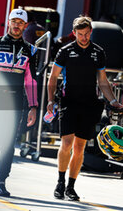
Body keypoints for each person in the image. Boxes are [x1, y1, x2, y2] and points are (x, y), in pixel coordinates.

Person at [47, 16, 123, 201]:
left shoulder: (98, 52)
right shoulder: (65, 51)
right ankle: (60, 181)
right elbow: (53, 78)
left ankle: (71, 187)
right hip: (68, 102)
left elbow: (103, 81)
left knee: (80, 148)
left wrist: (113, 100)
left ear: (91, 32)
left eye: (87, 34)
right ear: (74, 33)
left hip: (89, 103)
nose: (83, 37)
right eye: (80, 34)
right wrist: (50, 100)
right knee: (66, 144)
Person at [0, 8, 38, 197]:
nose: (17, 25)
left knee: (9, 144)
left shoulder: (30, 50)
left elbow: (31, 80)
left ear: (25, 26)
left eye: (21, 23)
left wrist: (34, 107)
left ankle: (1, 182)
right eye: (14, 21)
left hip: (16, 101)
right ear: (9, 22)